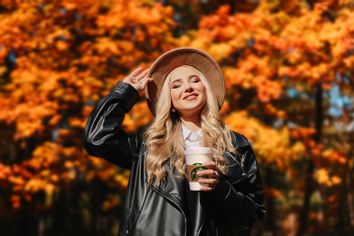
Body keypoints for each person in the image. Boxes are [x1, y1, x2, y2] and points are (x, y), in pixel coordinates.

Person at [84, 47, 265, 236]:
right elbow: (96, 139)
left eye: (195, 80)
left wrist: (219, 188)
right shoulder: (147, 145)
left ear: (206, 88)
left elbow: (250, 215)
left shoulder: (236, 144)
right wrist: (124, 94)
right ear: (168, 100)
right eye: (176, 85)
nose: (188, 88)